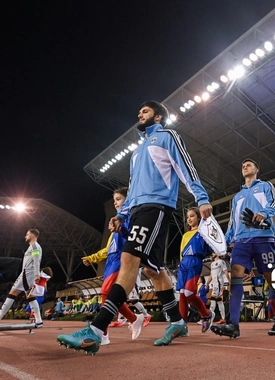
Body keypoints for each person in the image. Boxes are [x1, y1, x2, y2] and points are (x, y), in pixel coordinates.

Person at [57, 100, 215, 354]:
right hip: (138, 211)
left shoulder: (167, 136)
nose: (139, 114)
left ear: (158, 117)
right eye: (139, 111)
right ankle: (177, 322)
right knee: (154, 271)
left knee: (129, 260)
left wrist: (202, 197)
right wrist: (122, 214)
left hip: (157, 207)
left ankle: (96, 330)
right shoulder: (137, 152)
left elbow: (186, 167)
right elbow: (132, 190)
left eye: (145, 111)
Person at [211, 158, 275, 338]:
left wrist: (263, 214)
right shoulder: (237, 197)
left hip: (263, 239)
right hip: (241, 241)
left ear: (257, 169)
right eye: (242, 166)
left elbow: (274, 203)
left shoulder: (266, 186)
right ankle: (233, 325)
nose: (245, 167)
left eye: (249, 165)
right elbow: (232, 223)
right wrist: (223, 242)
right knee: (235, 274)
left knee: (272, 279)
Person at [81, 188, 144, 345]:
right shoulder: (116, 222)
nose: (115, 202)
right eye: (114, 199)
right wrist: (92, 258)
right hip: (111, 260)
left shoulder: (131, 217)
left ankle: (102, 333)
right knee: (111, 297)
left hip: (122, 259)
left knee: (105, 293)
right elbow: (109, 249)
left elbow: (133, 238)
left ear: (128, 200)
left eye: (118, 199)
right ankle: (134, 318)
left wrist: (122, 229)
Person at [177, 207, 214, 330]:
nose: (189, 219)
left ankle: (206, 314)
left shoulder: (203, 232)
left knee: (188, 292)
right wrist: (181, 263)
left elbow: (212, 247)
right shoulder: (185, 235)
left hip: (195, 261)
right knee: (182, 293)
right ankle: (182, 326)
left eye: (192, 216)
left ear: (198, 217)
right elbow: (181, 250)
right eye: (188, 217)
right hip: (183, 264)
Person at [0, 229, 44, 327]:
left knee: (12, 293)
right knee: (31, 297)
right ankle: (39, 320)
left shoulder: (34, 246)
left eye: (27, 234)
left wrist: (37, 274)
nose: (25, 236)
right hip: (28, 273)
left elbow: (36, 260)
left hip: (28, 273)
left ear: (32, 235)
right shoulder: (34, 247)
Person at [207, 253, 229, 325]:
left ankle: (209, 318)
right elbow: (211, 274)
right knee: (219, 301)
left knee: (213, 298)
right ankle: (223, 318)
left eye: (213, 252)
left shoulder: (221, 262)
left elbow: (225, 272)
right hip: (214, 283)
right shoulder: (212, 264)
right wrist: (207, 283)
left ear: (217, 254)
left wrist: (230, 281)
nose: (212, 254)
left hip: (219, 282)